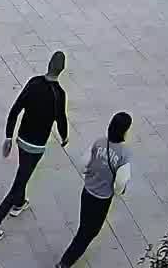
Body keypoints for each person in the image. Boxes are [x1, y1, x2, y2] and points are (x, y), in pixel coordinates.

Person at [0, 51, 70, 241]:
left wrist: (8, 136)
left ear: (48, 64)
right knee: (19, 182)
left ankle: (20, 203)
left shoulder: (34, 82)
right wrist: (64, 137)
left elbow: (16, 109)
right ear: (62, 70)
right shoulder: (59, 94)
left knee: (24, 170)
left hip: (22, 139)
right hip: (36, 146)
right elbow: (60, 119)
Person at [58, 112, 132, 268]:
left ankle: (67, 259)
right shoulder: (123, 154)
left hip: (87, 192)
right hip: (102, 199)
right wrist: (118, 191)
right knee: (89, 232)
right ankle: (65, 262)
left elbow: (82, 162)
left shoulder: (99, 143)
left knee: (84, 225)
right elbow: (121, 182)